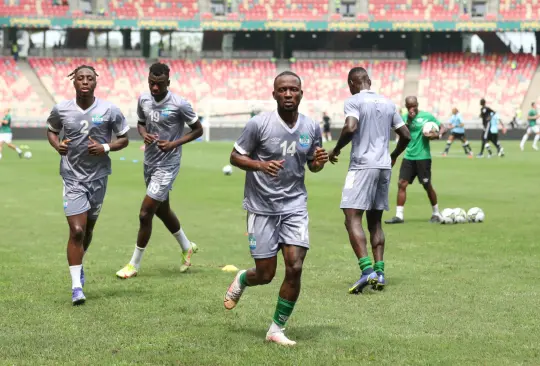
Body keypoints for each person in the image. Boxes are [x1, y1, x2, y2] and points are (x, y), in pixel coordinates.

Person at [223, 71, 328, 346]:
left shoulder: (311, 127)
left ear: (301, 94)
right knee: (266, 274)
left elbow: (312, 166)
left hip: (295, 205)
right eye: (282, 90)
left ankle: (276, 329)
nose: (288, 94)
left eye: (293, 90)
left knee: (294, 266)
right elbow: (235, 156)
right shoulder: (259, 124)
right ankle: (244, 278)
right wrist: (260, 165)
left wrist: (319, 162)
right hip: (261, 207)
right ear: (274, 94)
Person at [46, 65, 130, 305]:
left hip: (98, 178)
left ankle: (79, 263)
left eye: (89, 78)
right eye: (80, 78)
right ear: (74, 81)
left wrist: (105, 147)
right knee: (78, 231)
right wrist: (56, 145)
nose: (85, 81)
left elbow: (124, 139)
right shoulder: (61, 109)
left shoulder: (109, 109)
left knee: (89, 230)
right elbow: (52, 131)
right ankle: (76, 287)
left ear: (96, 82)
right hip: (72, 178)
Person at [116, 63, 203, 279]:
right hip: (149, 162)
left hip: (168, 164)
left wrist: (174, 144)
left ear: (168, 83)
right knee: (162, 210)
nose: (155, 88)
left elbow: (198, 129)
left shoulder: (180, 104)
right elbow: (141, 123)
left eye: (159, 84)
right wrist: (144, 133)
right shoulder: (143, 99)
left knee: (145, 213)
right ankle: (186, 246)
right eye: (152, 84)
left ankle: (133, 265)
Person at [328, 67, 411, 293]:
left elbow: (350, 127)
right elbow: (406, 135)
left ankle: (367, 271)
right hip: (384, 166)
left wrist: (335, 150)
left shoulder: (354, 101)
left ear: (351, 84)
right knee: (375, 221)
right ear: (369, 81)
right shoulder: (388, 103)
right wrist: (393, 156)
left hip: (362, 165)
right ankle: (380, 272)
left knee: (351, 216)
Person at [385, 96, 445, 224]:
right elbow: (402, 134)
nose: (412, 108)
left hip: (423, 157)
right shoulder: (404, 118)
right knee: (401, 183)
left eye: (414, 106)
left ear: (417, 104)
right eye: (409, 106)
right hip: (409, 157)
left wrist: (437, 135)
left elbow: (442, 127)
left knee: (427, 185)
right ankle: (399, 216)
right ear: (406, 106)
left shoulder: (427, 116)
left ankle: (436, 213)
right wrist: (408, 121)